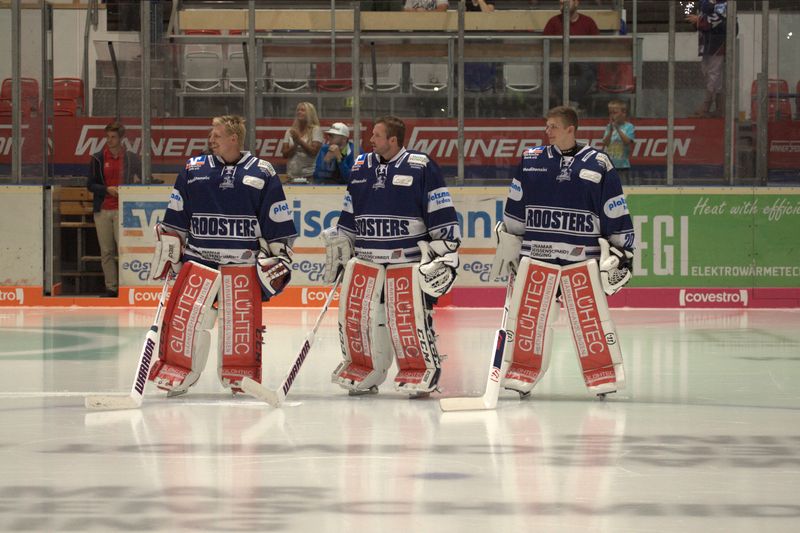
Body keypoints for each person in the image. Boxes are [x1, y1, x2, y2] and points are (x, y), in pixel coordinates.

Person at [147, 115, 298, 397]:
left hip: (241, 265)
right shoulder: (194, 169)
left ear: (234, 139)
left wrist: (280, 255)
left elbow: (276, 219)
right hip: (199, 260)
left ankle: (239, 375)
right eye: (211, 134)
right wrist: (170, 247)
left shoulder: (262, 171)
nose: (211, 139)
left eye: (217, 135)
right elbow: (177, 216)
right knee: (189, 322)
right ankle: (178, 371)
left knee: (238, 328)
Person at [490, 106, 635, 399]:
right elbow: (516, 202)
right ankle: (522, 371)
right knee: (528, 319)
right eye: (547, 126)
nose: (548, 131)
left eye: (554, 126)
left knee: (590, 319)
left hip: (581, 256)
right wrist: (510, 240)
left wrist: (622, 249)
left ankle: (603, 374)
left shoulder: (599, 163)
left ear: (571, 129)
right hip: (537, 253)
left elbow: (614, 208)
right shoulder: (532, 160)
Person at [320, 115, 462, 398]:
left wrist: (444, 249)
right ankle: (365, 369)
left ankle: (420, 370)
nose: (370, 140)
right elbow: (350, 210)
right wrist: (342, 242)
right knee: (361, 319)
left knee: (409, 320)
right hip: (368, 260)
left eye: (377, 135)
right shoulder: (361, 165)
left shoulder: (421, 166)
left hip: (406, 261)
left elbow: (440, 208)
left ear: (393, 140)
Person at [87, 121, 141, 297]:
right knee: (107, 251)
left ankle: (126, 285)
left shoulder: (131, 158)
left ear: (121, 138)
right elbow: (90, 184)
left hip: (123, 210)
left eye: (113, 137)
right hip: (103, 209)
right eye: (107, 137)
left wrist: (133, 188)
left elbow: (143, 178)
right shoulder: (97, 158)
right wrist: (106, 190)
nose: (109, 140)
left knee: (124, 249)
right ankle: (111, 287)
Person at [543, 0, 599, 111]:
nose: (562, 2)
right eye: (560, 2)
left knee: (586, 70)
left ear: (577, 3)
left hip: (583, 66)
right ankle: (567, 105)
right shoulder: (553, 22)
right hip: (559, 65)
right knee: (557, 71)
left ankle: (574, 104)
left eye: (567, 0)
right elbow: (545, 50)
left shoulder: (588, 23)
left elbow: (597, 49)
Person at [686, 0, 729, 117]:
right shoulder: (703, 2)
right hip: (707, 41)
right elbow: (700, 18)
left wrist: (699, 20)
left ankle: (707, 105)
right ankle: (719, 107)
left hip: (718, 41)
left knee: (714, 72)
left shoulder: (723, 2)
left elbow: (719, 19)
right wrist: (697, 21)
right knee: (707, 70)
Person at [281, 101, 323, 183]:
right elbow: (284, 154)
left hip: (308, 177)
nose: (299, 112)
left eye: (303, 110)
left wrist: (299, 140)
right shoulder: (290, 131)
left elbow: (313, 152)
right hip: (291, 177)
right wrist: (296, 144)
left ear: (310, 113)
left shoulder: (315, 130)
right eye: (298, 110)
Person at [600, 99, 636, 184]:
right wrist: (611, 131)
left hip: (622, 166)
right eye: (610, 113)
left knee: (623, 189)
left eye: (615, 112)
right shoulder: (609, 127)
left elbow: (627, 141)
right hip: (610, 166)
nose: (612, 115)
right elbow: (605, 143)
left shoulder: (629, 127)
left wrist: (617, 128)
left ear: (623, 113)